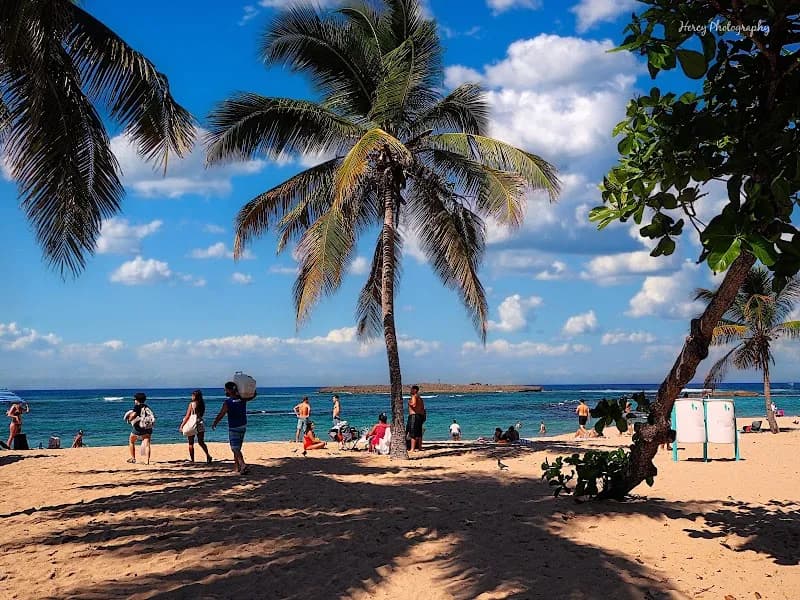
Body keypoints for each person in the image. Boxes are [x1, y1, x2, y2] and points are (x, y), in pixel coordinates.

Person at [212, 381, 255, 474]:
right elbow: (253, 395)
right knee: (237, 448)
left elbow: (221, 414)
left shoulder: (228, 402)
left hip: (234, 427)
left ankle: (243, 465)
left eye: (225, 389)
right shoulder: (242, 399)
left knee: (235, 448)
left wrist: (215, 422)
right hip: (243, 426)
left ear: (229, 390)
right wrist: (250, 388)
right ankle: (237, 467)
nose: (225, 391)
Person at [179, 389, 212, 464]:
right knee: (201, 442)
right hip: (199, 423)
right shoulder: (202, 404)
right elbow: (201, 415)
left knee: (191, 443)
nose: (191, 396)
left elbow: (187, 416)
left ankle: (192, 460)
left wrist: (182, 425)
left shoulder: (191, 404)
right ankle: (208, 456)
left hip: (192, 423)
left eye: (192, 395)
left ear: (195, 396)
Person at [124, 392, 153, 465]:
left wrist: (129, 419)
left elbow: (133, 415)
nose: (134, 401)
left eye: (135, 399)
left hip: (139, 428)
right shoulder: (146, 407)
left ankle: (133, 458)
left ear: (137, 400)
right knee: (147, 444)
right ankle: (147, 461)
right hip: (148, 427)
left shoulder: (137, 406)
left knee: (131, 441)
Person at [406, 385, 426, 451]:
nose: (410, 391)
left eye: (411, 389)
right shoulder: (420, 398)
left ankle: (412, 448)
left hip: (413, 416)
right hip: (419, 416)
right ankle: (420, 447)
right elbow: (423, 408)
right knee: (419, 433)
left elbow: (414, 405)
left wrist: (409, 403)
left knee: (413, 432)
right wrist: (423, 417)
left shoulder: (414, 396)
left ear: (415, 390)